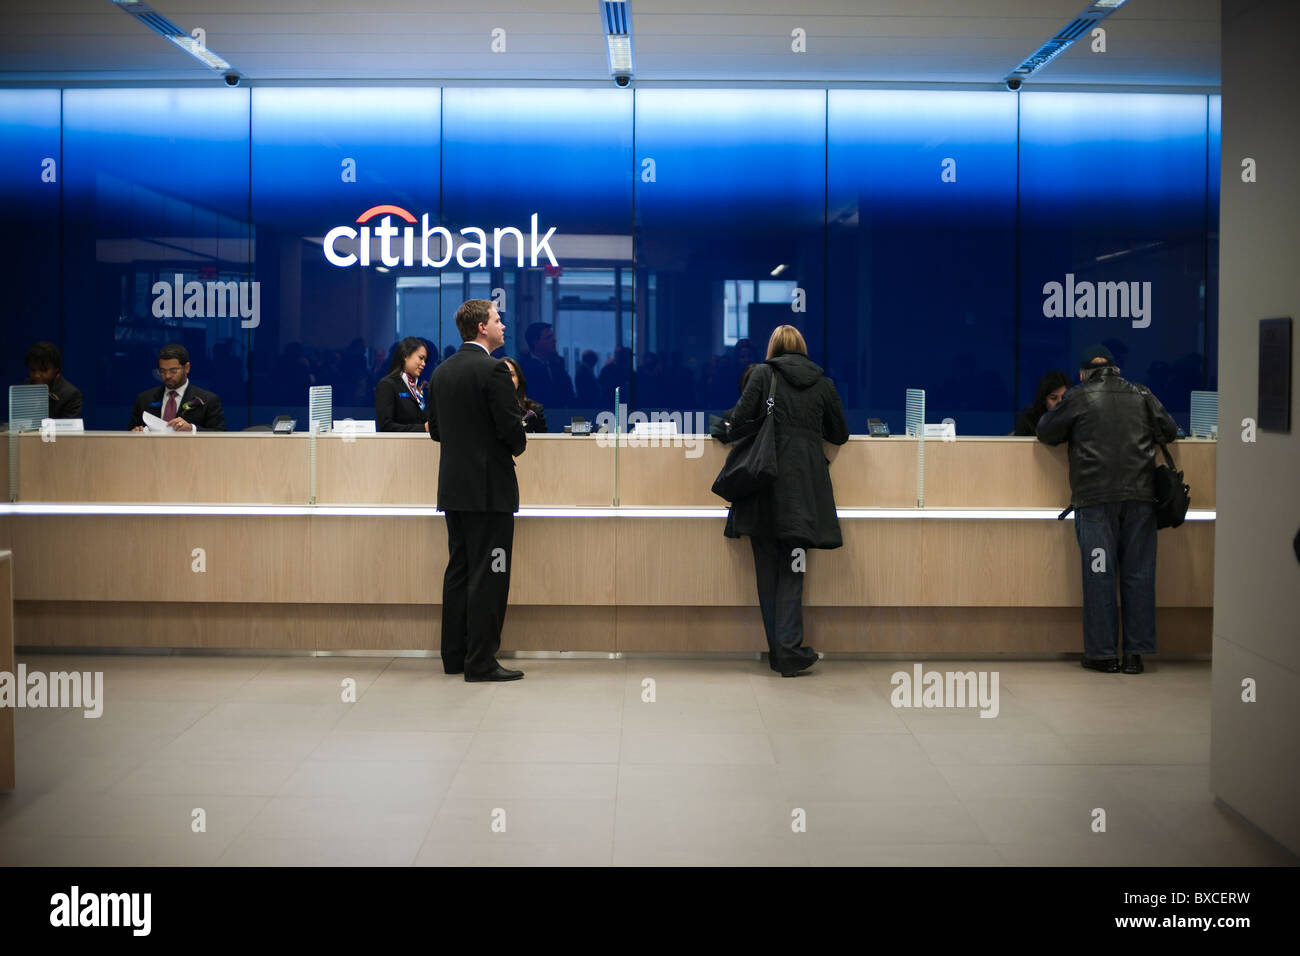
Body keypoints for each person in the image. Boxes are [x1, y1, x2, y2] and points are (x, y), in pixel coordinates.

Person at [1036, 344, 1179, 675]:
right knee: (1139, 574)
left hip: (1096, 502)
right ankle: (1135, 655)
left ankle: (1102, 654)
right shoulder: (1141, 393)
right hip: (1141, 501)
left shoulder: (1078, 396)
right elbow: (1169, 431)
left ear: (1085, 373)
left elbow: (1046, 431)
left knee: (1099, 574)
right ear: (1116, 369)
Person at [719, 325, 850, 677]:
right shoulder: (823, 383)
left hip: (764, 487)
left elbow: (738, 420)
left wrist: (721, 428)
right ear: (803, 349)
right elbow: (840, 433)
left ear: (772, 347)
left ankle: (783, 652)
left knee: (767, 572)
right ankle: (788, 650)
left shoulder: (763, 374)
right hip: (804, 493)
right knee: (794, 570)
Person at [427, 299, 528, 682]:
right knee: (491, 574)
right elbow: (512, 433)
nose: (503, 325)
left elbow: (435, 430)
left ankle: (454, 656)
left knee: (459, 570)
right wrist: (516, 443)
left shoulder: (441, 371)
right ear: (482, 327)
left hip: (454, 489)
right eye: (498, 319)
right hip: (490, 492)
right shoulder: (494, 371)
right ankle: (481, 662)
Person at [128, 343, 225, 431]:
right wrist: (136, 432)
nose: (167, 376)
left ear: (187, 368)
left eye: (173, 371)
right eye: (162, 371)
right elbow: (129, 433)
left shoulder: (208, 400)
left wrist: (192, 429)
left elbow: (220, 434)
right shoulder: (144, 399)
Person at [374, 337, 430, 432]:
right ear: (406, 355)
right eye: (421, 358)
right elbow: (386, 426)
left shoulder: (417, 387)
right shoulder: (387, 385)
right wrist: (423, 428)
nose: (423, 363)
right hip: (399, 446)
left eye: (425, 360)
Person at [518, 322, 575, 409]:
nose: (554, 340)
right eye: (548, 337)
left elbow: (568, 393)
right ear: (535, 342)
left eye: (552, 336)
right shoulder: (524, 369)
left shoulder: (555, 365)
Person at [23, 341, 82, 419]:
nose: (36, 375)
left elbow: (68, 429)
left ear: (56, 368)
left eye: (43, 370)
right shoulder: (26, 386)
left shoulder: (70, 394)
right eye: (32, 370)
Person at [1014, 370, 1072, 435]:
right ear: (1044, 400)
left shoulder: (1076, 417)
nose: (1060, 402)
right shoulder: (1029, 420)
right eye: (1053, 398)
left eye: (1064, 398)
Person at [502, 356, 548, 434]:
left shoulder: (535, 410)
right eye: (503, 375)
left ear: (519, 380)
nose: (508, 379)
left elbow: (543, 443)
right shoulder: (487, 408)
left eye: (512, 375)